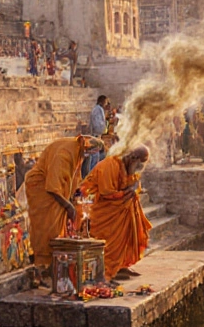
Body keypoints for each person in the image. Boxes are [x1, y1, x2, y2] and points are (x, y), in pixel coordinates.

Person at [24, 136, 101, 278]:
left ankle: (54, 264)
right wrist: (68, 206)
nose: (90, 156)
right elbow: (52, 186)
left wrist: (74, 197)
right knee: (48, 228)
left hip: (55, 190)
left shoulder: (77, 151)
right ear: (86, 147)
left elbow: (73, 178)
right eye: (91, 153)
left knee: (59, 227)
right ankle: (43, 264)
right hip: (42, 189)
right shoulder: (64, 154)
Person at [82, 145, 152, 281]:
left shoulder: (128, 167)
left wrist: (133, 188)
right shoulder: (110, 165)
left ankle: (121, 265)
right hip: (97, 205)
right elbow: (106, 192)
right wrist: (127, 193)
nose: (140, 167)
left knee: (127, 232)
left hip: (119, 208)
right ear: (133, 158)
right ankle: (109, 268)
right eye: (140, 162)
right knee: (108, 238)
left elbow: (135, 184)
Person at [84, 95, 108, 177]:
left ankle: (92, 176)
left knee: (95, 157)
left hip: (95, 136)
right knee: (95, 157)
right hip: (95, 136)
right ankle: (92, 177)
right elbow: (98, 126)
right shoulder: (98, 110)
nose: (106, 104)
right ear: (102, 101)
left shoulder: (97, 109)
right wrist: (105, 128)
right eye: (105, 102)